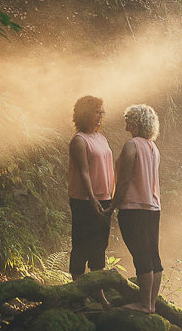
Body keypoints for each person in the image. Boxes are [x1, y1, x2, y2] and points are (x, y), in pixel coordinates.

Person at [107, 104, 162, 313]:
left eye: (129, 118)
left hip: (133, 207)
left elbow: (125, 180)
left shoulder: (132, 145)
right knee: (152, 255)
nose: (126, 122)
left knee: (141, 255)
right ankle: (151, 304)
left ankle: (144, 304)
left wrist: (113, 205)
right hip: (153, 207)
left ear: (138, 122)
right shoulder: (153, 148)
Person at [67, 96, 115, 301]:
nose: (101, 116)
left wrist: (112, 197)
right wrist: (91, 198)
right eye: (97, 112)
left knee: (100, 243)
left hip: (105, 198)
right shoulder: (79, 141)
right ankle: (77, 290)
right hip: (84, 199)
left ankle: (97, 291)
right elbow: (84, 172)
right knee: (82, 242)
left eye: (102, 112)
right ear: (85, 114)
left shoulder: (101, 138)